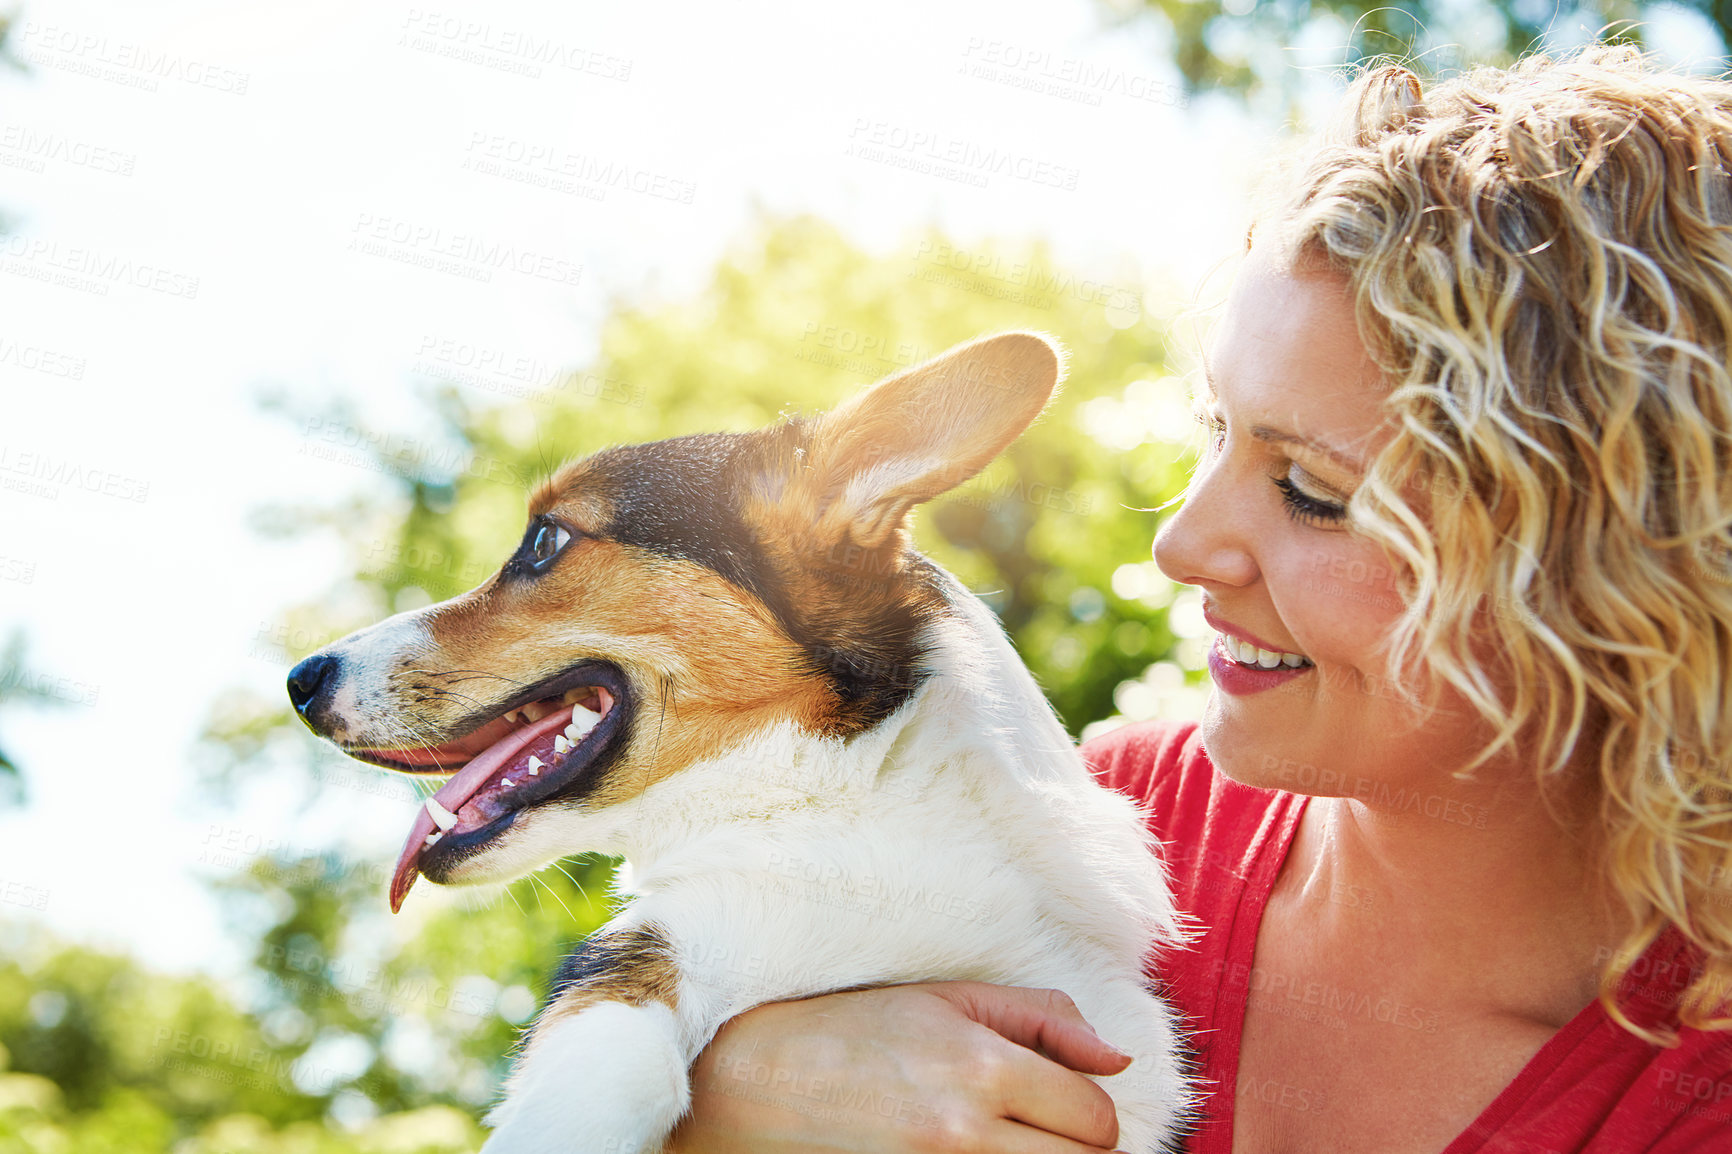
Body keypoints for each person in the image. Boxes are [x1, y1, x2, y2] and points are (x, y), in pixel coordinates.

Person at [667, 48, 1732, 1153]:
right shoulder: (1105, 835)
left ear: (1621, 574)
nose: (1180, 544)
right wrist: (722, 1094)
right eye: (1215, 428)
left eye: (1312, 493)